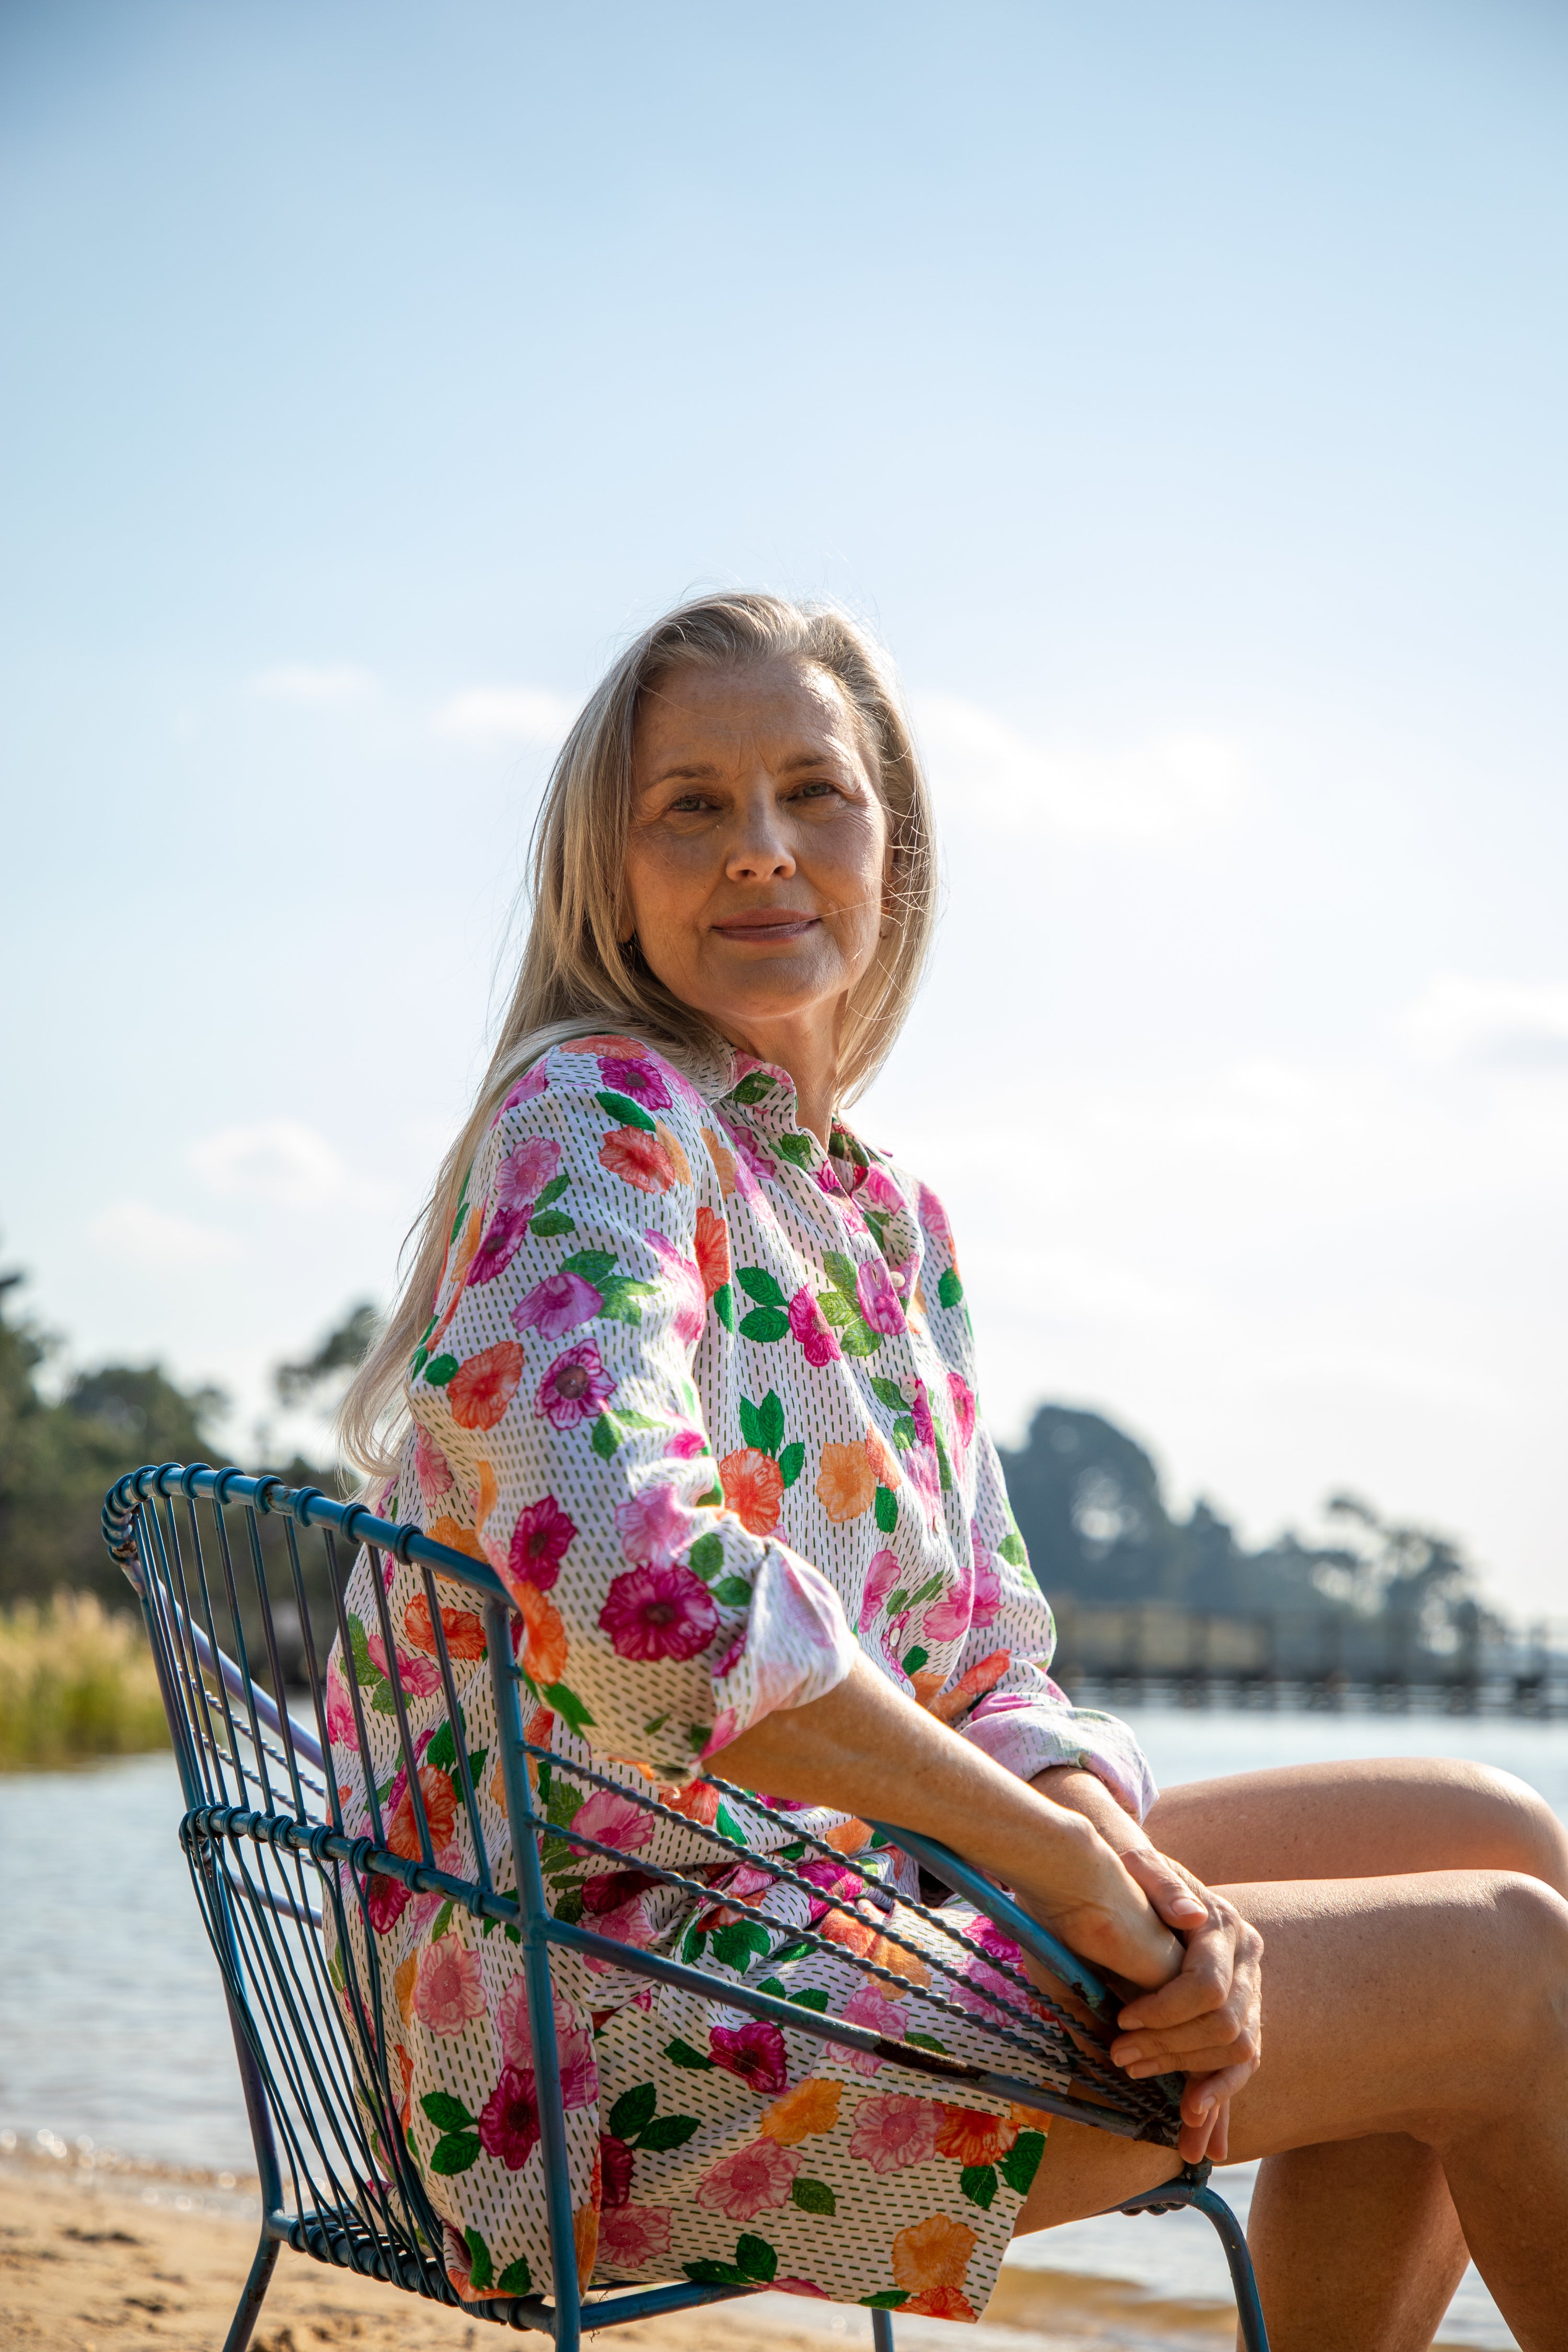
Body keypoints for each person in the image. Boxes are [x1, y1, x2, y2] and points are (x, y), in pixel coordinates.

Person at [330, 592, 1568, 2351]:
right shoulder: (596, 1114)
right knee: (1507, 1968)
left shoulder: (885, 1217)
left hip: (835, 1903)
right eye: (692, 804)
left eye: (812, 792)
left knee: (1490, 1827)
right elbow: (639, 1584)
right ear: (611, 873)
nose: (761, 847)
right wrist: (1068, 1877)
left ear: (891, 844)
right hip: (593, 2018)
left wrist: (1120, 1867)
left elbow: (993, 1656)